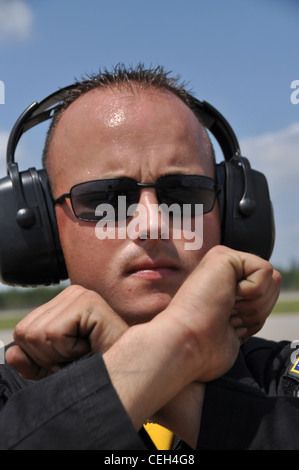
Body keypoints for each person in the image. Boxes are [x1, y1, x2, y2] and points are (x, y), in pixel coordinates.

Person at [0, 65, 296, 450]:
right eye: (107, 198)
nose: (152, 223)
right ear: (44, 229)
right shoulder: (10, 395)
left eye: (185, 193)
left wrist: (149, 357)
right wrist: (174, 350)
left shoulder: (284, 378)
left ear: (229, 214)